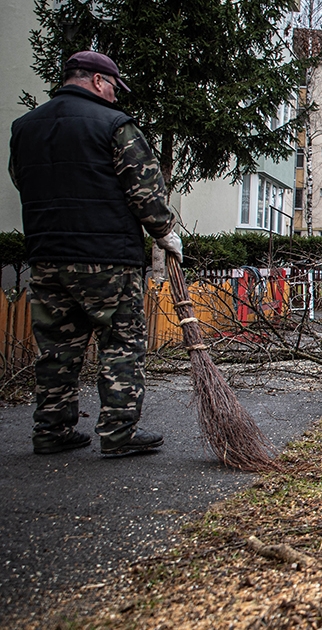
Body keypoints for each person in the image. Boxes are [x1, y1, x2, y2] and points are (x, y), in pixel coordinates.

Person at [9, 50, 179, 456]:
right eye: (114, 88)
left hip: (47, 255)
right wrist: (165, 231)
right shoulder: (114, 125)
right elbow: (145, 191)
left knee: (56, 350)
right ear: (99, 81)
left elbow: (22, 180)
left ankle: (51, 431)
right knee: (121, 343)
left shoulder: (25, 128)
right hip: (107, 258)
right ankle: (118, 434)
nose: (116, 97)